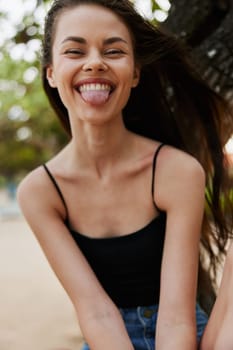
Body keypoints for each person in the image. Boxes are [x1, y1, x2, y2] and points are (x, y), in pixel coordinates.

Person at [17, 0, 233, 349]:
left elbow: (176, 315)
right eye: (75, 50)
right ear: (52, 72)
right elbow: (95, 311)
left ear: (134, 73)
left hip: (179, 334)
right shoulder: (40, 191)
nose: (95, 63)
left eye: (113, 50)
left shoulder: (175, 171)